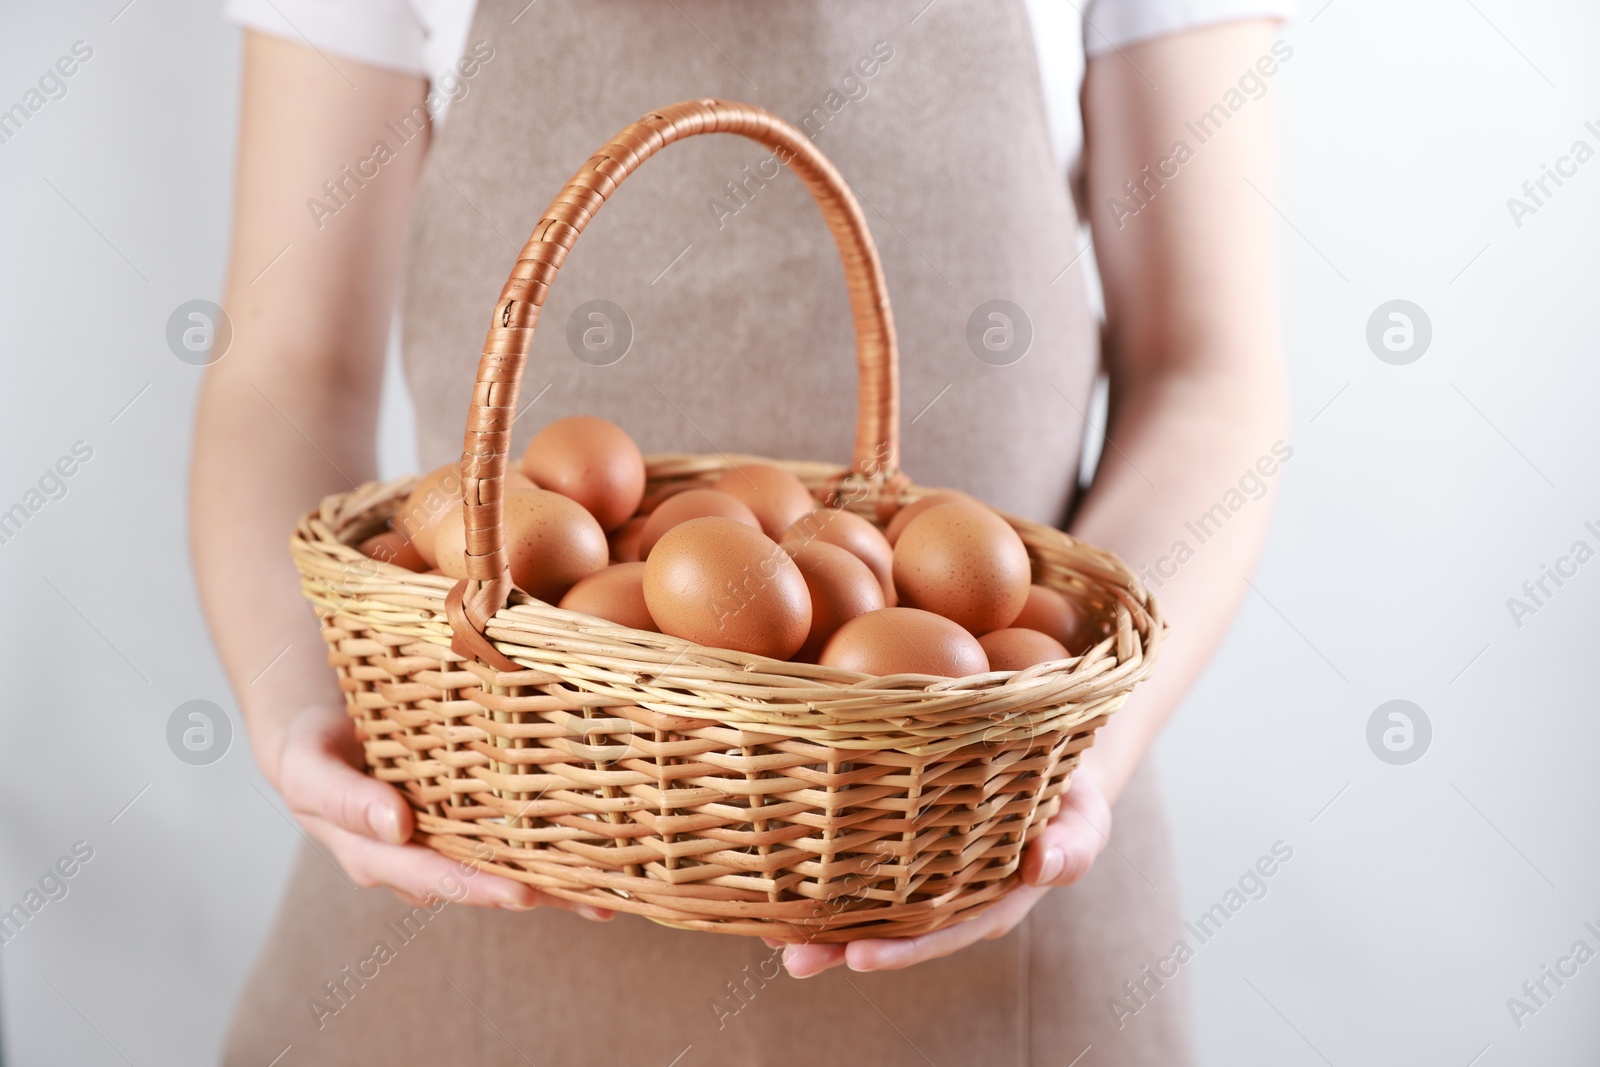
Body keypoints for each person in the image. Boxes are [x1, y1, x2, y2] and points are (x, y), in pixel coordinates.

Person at [192, 1, 1291, 1062]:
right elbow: (287, 373)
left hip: (981, 833)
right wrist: (299, 703)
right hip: (480, 836)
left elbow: (1210, 375)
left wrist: (1076, 760)